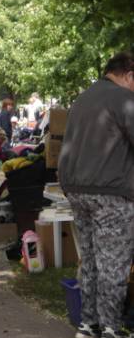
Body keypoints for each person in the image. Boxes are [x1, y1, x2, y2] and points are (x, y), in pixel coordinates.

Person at [58, 52, 134, 338]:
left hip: (78, 190)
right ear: (128, 74)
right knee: (113, 262)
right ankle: (112, 328)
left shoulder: (83, 98)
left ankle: (88, 324)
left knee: (89, 260)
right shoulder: (123, 99)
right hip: (111, 192)